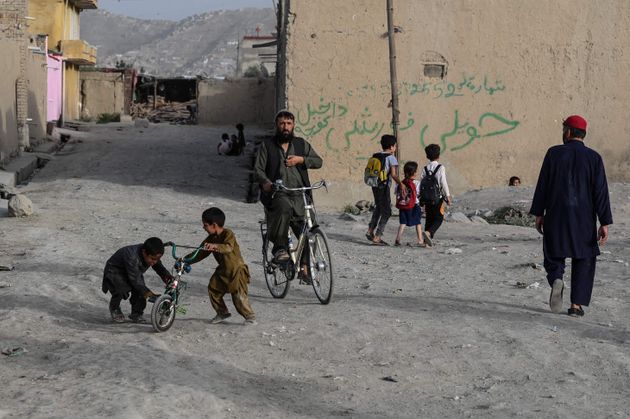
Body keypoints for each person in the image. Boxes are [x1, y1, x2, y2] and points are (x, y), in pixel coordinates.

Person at [530, 115, 612, 317]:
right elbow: (600, 191)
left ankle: (557, 276)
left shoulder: (554, 153)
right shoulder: (594, 158)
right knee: (584, 257)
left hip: (556, 213)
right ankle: (576, 305)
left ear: (567, 132)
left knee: (553, 250)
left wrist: (539, 213)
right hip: (584, 216)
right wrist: (604, 222)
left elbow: (543, 185)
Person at [253, 110, 323, 266]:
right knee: (283, 208)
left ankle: (305, 265)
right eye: (282, 123)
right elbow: (258, 170)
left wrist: (301, 159)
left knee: (309, 230)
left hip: (300, 194)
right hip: (278, 193)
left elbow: (318, 161)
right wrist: (265, 182)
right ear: (277, 126)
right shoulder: (267, 146)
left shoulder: (300, 144)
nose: (286, 127)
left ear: (293, 126)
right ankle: (279, 249)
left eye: (289, 124)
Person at [183, 207, 256, 324]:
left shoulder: (228, 234)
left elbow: (228, 247)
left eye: (205, 225)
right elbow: (199, 253)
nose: (203, 227)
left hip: (236, 270)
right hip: (223, 270)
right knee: (213, 289)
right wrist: (185, 260)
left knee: (238, 296)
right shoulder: (211, 238)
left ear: (214, 225)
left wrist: (215, 246)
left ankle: (250, 317)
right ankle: (222, 312)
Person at [101, 237, 172, 323]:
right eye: (153, 259)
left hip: (134, 272)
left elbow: (159, 267)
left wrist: (168, 277)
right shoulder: (131, 256)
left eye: (157, 259)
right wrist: (150, 295)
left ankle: (137, 314)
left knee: (140, 292)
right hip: (115, 271)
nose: (154, 261)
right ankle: (114, 307)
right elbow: (136, 280)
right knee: (121, 289)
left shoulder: (151, 254)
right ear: (144, 252)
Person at [366, 134, 405, 246]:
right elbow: (393, 174)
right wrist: (400, 184)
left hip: (374, 185)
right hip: (383, 186)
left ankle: (370, 231)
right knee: (387, 212)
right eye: (395, 146)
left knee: (378, 207)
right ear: (392, 147)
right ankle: (377, 236)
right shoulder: (391, 158)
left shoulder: (376, 155)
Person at [420, 144, 452, 247]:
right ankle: (429, 233)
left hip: (426, 198)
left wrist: (421, 198)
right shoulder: (440, 167)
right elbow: (443, 182)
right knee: (439, 217)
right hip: (437, 198)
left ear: (427, 156)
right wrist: (447, 195)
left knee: (429, 218)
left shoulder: (425, 168)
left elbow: (421, 183)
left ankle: (426, 242)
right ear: (438, 155)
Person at [394, 161, 425, 247]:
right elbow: (418, 194)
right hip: (414, 205)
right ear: (414, 173)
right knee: (418, 222)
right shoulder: (417, 183)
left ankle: (398, 238)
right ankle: (420, 240)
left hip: (403, 205)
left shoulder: (400, 183)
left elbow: (396, 193)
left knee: (403, 222)